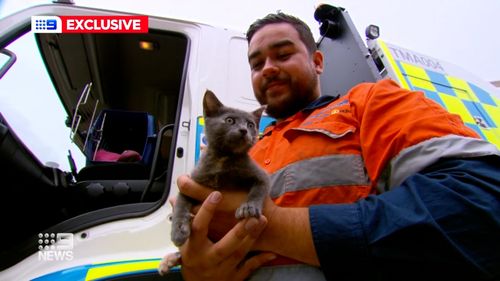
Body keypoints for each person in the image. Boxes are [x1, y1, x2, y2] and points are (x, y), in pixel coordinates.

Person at [174, 12, 500, 281]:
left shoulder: (370, 101)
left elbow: (479, 205)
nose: (268, 68)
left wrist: (273, 227)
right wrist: (197, 268)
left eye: (283, 54)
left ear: (317, 62)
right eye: (257, 64)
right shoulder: (249, 148)